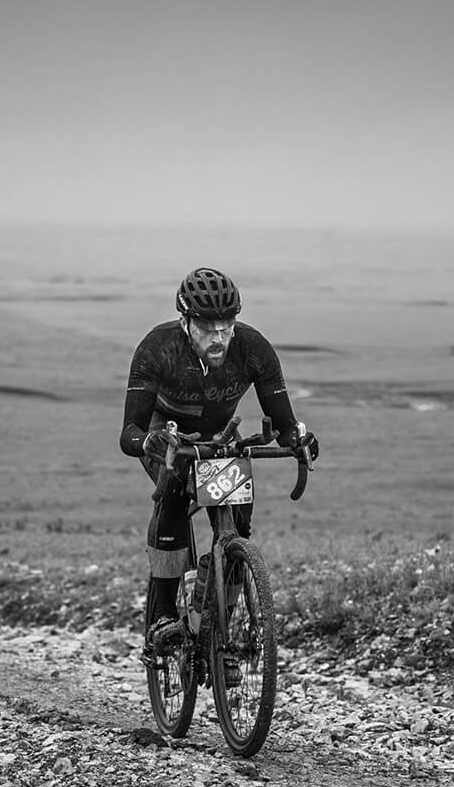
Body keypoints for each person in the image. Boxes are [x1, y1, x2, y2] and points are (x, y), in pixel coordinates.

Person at [119, 267, 318, 655]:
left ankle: (218, 621)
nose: (219, 336)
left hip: (220, 436)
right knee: (174, 490)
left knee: (238, 520)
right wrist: (149, 443)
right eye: (208, 328)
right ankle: (161, 615)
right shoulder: (156, 348)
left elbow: (283, 422)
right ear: (185, 321)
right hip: (170, 436)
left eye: (226, 326)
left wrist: (298, 439)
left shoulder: (253, 347)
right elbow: (129, 432)